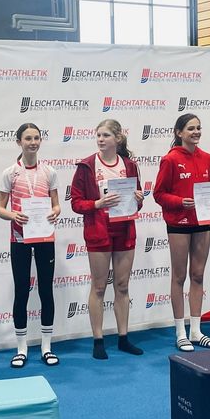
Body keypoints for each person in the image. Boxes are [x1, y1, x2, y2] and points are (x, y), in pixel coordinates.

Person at [71, 119, 144, 360]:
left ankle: (123, 337)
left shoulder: (130, 165)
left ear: (118, 138)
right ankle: (98, 340)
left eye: (105, 135)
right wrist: (97, 203)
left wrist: (138, 198)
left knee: (122, 286)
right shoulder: (86, 166)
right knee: (99, 287)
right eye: (98, 135)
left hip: (125, 229)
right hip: (99, 232)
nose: (100, 139)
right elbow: (76, 203)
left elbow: (137, 202)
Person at [154, 113, 210, 352]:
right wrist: (180, 202)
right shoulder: (170, 159)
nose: (196, 132)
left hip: (202, 221)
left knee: (198, 275)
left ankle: (196, 330)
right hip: (178, 223)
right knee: (179, 276)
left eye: (198, 128)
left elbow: (209, 190)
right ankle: (180, 332)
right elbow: (158, 194)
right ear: (179, 132)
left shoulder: (207, 158)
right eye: (191, 128)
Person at [0, 123, 60, 368]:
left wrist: (55, 212)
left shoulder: (49, 171)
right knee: (21, 291)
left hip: (44, 238)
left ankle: (46, 347)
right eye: (28, 138)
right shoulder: (10, 173)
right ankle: (21, 348)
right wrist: (13, 215)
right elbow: (0, 209)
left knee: (46, 290)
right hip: (20, 239)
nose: (33, 142)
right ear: (19, 142)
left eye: (36, 138)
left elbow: (56, 204)